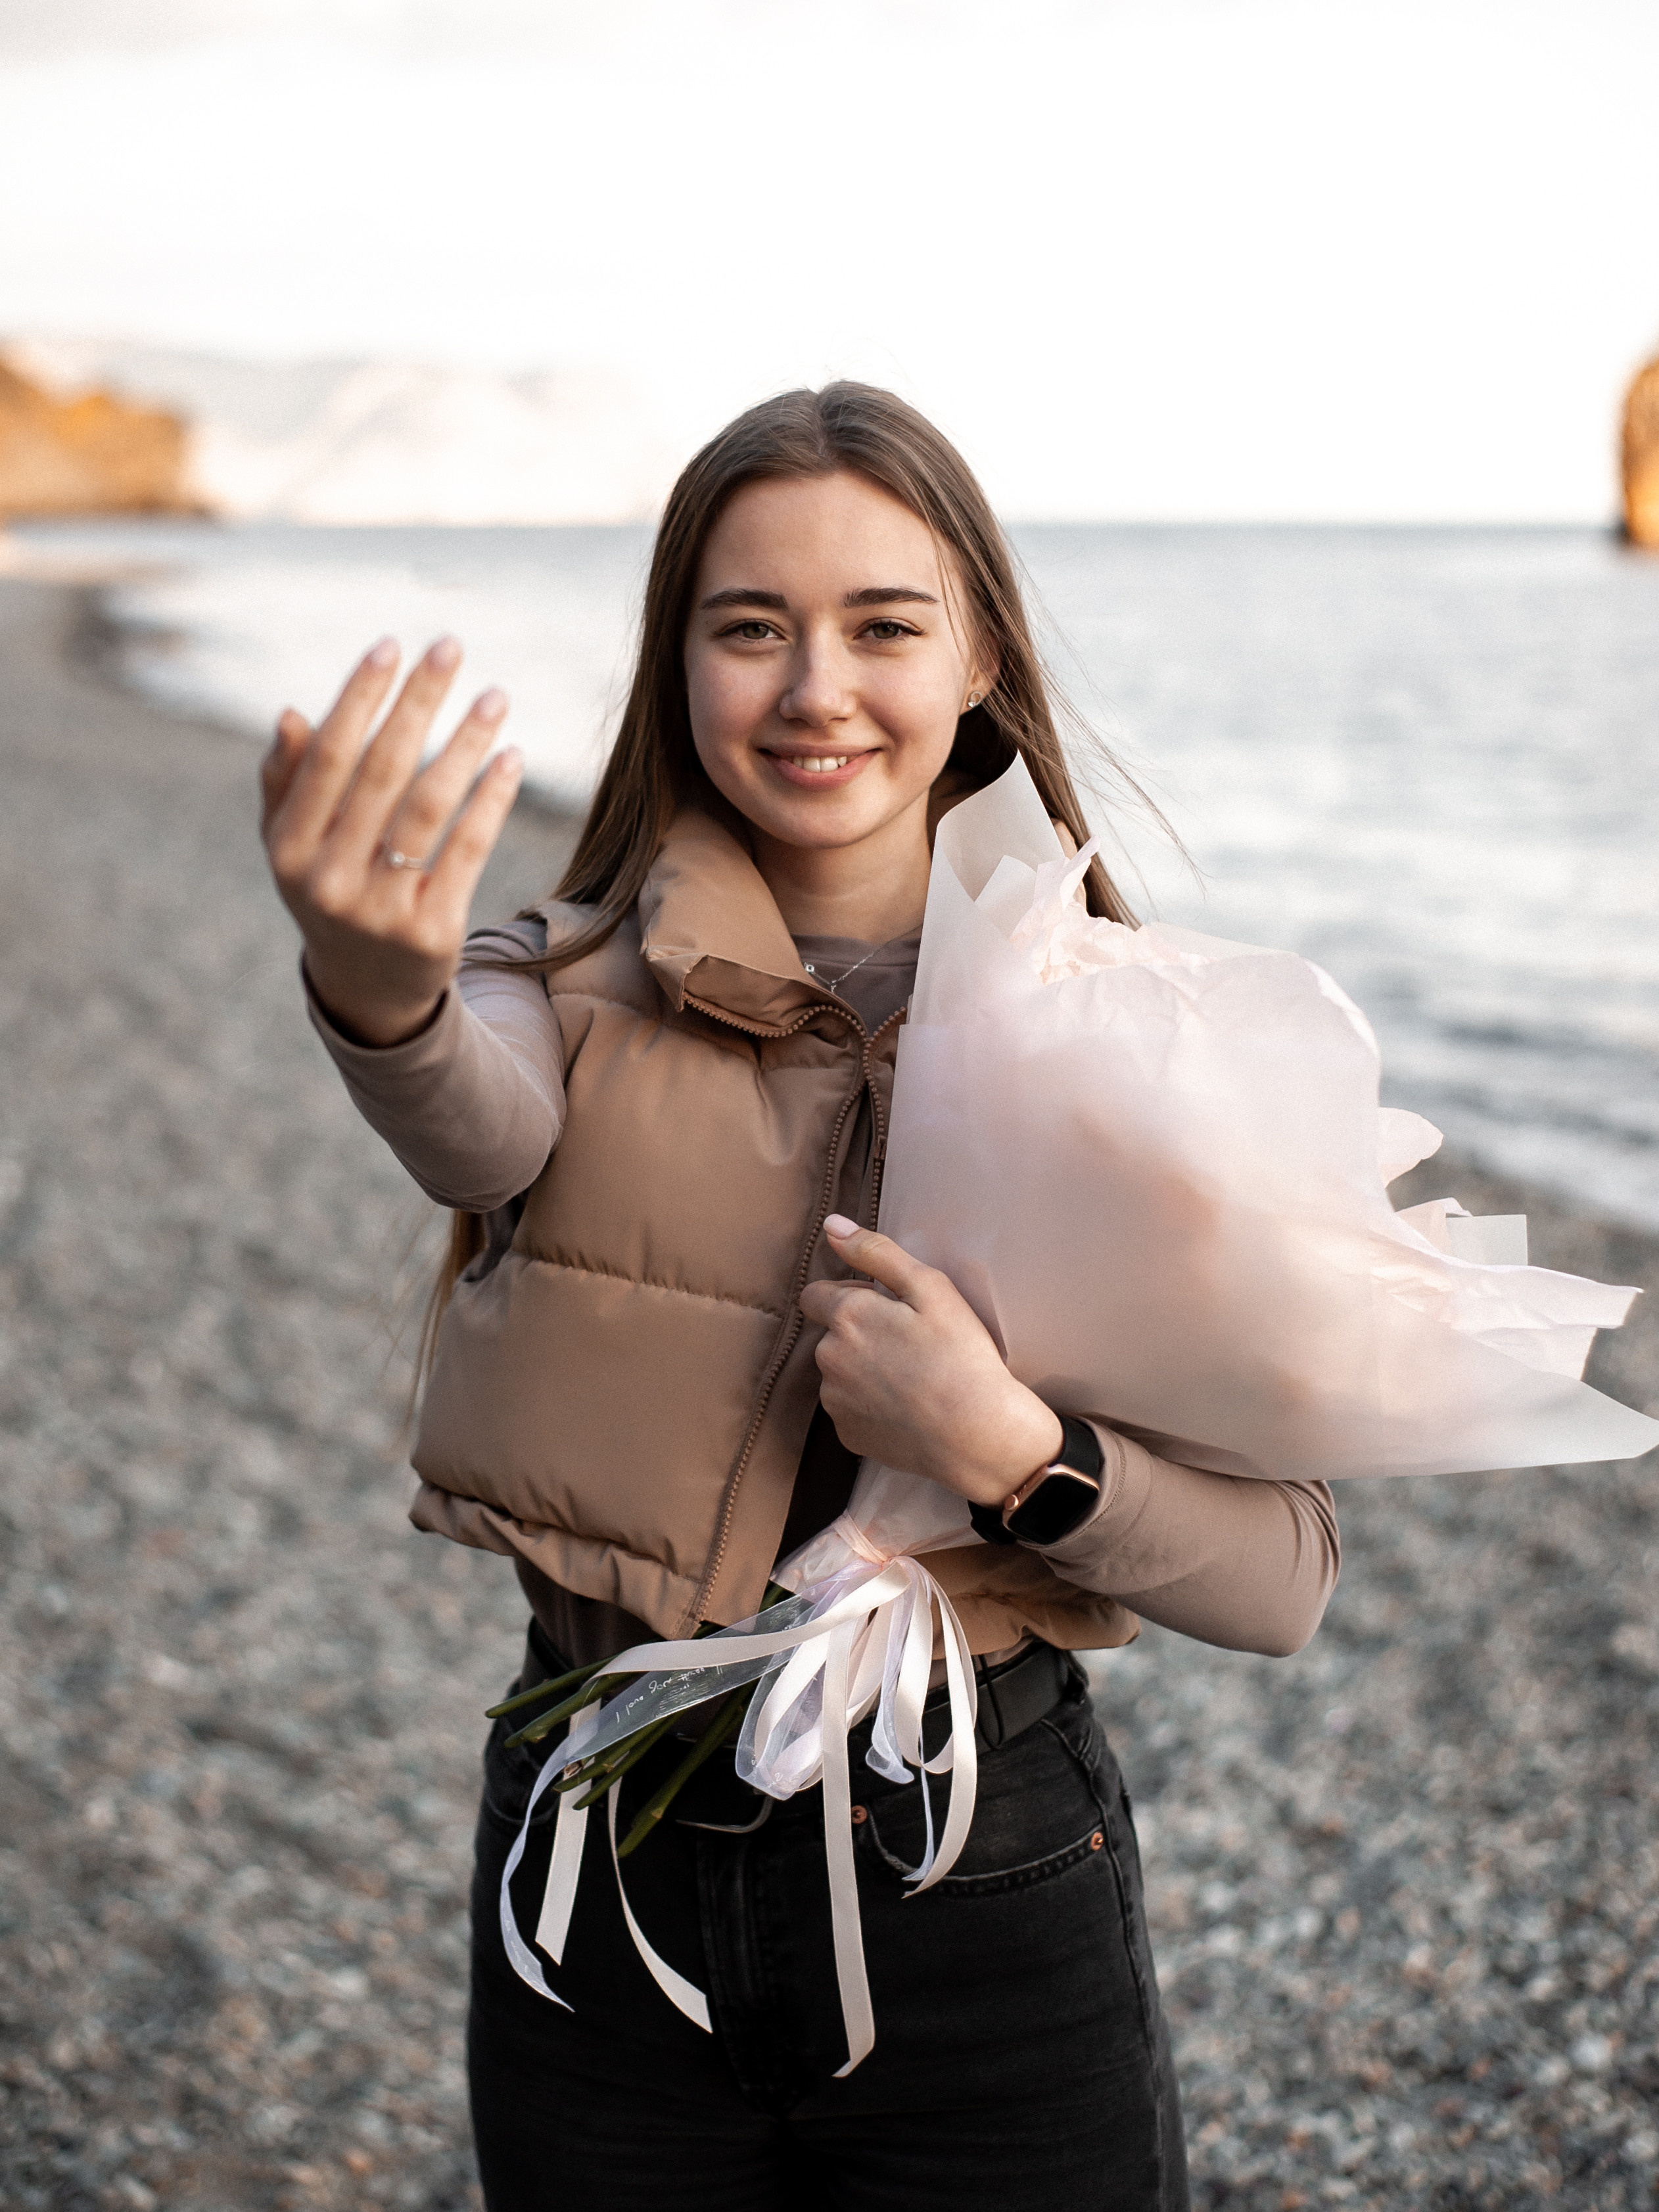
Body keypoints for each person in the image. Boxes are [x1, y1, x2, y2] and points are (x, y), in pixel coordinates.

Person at [258, 383, 1339, 2212]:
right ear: (676, 660)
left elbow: (1282, 1581)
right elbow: (478, 1121)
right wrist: (379, 990)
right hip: (595, 1847)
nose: (811, 686)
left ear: (984, 650)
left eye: (882, 625)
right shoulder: (559, 975)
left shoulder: (1132, 1050)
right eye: (746, 626)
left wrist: (1009, 1449)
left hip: (971, 1868)